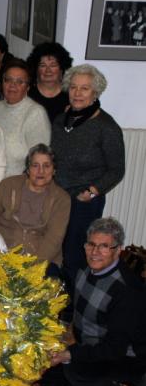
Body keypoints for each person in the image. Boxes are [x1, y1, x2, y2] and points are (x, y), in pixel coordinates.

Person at [48, 218, 145, 386]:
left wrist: (71, 353)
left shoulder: (127, 291)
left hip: (127, 354)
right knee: (48, 378)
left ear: (118, 250)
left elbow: (114, 349)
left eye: (104, 246)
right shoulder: (84, 270)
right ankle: (129, 380)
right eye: (91, 244)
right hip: (96, 346)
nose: (95, 252)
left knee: (75, 366)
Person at [51, 64, 125, 295]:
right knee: (56, 250)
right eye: (73, 87)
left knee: (76, 256)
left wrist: (92, 192)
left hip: (83, 202)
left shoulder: (106, 127)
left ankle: (73, 306)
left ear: (95, 93)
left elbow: (117, 169)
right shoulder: (61, 120)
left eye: (85, 88)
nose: (77, 93)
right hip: (57, 197)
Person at [0, 144, 70, 265]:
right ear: (28, 169)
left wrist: (33, 267)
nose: (41, 171)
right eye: (35, 165)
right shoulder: (7, 185)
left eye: (46, 166)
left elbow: (53, 240)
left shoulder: (62, 199)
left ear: (54, 170)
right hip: (1, 253)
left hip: (40, 260)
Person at [0, 58, 51, 177]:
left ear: (28, 87)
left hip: (16, 185)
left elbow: (39, 162)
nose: (12, 85)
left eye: (20, 81)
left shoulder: (35, 113)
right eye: (8, 80)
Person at [27, 42, 73, 123]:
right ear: (36, 69)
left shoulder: (71, 96)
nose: (48, 70)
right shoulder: (27, 94)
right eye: (43, 65)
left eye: (53, 65)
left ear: (61, 68)